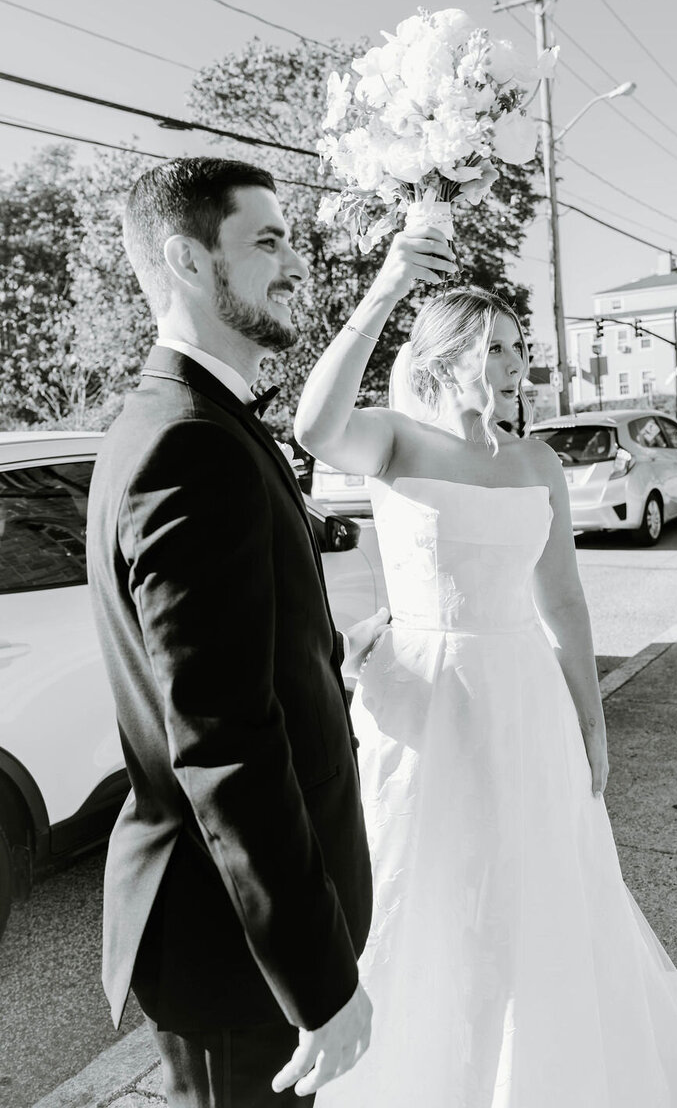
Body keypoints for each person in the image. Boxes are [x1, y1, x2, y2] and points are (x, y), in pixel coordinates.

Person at [294, 230, 677, 1107]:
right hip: (422, 701)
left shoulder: (535, 463)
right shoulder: (393, 442)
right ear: (447, 353)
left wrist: (591, 724)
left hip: (523, 698)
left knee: (533, 885)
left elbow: (563, 601)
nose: (512, 363)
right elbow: (313, 427)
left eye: (517, 347)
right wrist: (382, 293)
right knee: (425, 881)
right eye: (493, 346)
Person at [86, 157, 391, 1107]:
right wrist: (319, 980)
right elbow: (220, 742)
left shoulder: (199, 419)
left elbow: (235, 669)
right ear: (185, 259)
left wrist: (330, 667)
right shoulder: (188, 442)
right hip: (236, 952)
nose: (295, 263)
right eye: (266, 240)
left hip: (239, 941)